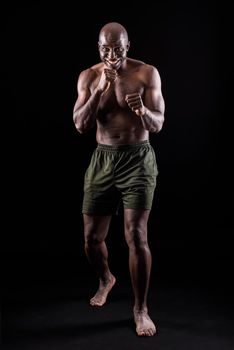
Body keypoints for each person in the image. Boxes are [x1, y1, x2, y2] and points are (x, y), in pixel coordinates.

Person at [73, 22, 165, 337]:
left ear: (128, 45)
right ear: (99, 47)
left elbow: (159, 124)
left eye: (117, 48)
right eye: (105, 49)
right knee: (91, 240)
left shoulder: (146, 74)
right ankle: (106, 279)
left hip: (138, 158)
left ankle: (141, 309)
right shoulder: (88, 76)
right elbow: (80, 124)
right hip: (102, 158)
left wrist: (142, 112)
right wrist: (99, 89)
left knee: (137, 236)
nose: (111, 55)